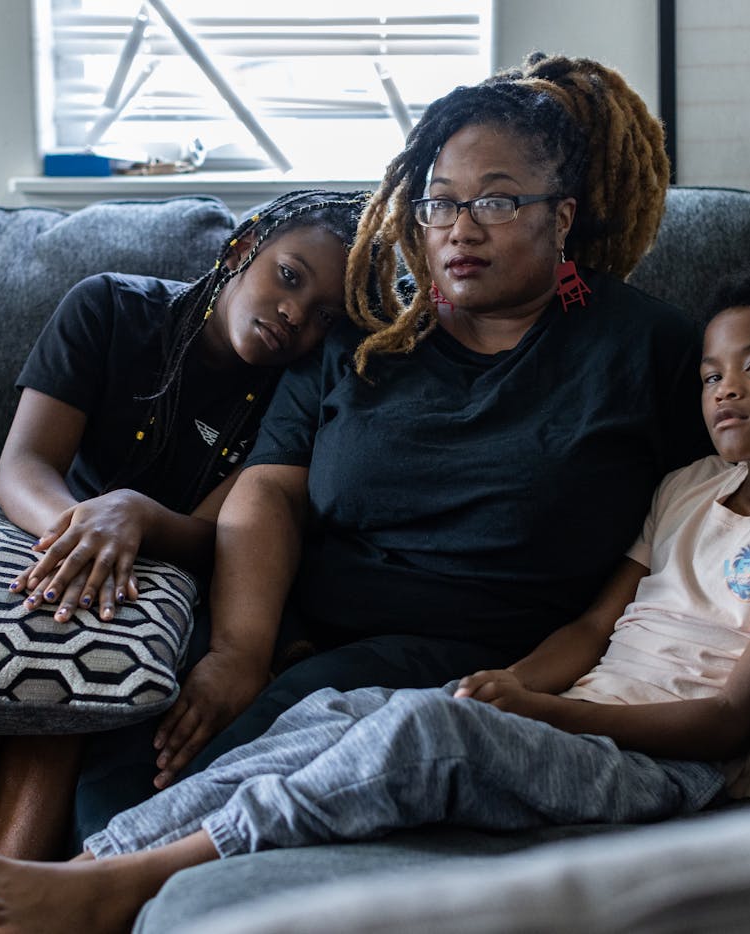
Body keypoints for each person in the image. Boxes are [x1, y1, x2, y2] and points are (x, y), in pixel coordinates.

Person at [0, 263, 750, 934]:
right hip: (572, 718)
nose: (724, 390)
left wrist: (541, 711)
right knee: (339, 710)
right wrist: (509, 684)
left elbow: (736, 718)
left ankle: (126, 888)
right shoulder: (689, 487)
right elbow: (590, 625)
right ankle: (85, 869)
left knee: (419, 734)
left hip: (661, 773)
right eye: (710, 374)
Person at [138, 53, 714, 804]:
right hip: (286, 627)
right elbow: (270, 491)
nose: (460, 230)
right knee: (118, 750)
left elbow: (703, 520)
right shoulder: (369, 330)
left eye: (497, 203)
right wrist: (239, 652)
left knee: (177, 795)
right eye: (440, 203)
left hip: (480, 662)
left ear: (561, 216)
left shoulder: (647, 349)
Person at [0, 190, 367, 934]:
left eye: (324, 315)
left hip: (167, 578)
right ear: (242, 248)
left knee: (78, 674)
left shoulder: (294, 390)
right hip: (41, 536)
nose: (297, 316)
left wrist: (134, 517)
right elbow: (21, 469)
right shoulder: (110, 309)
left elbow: (217, 537)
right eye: (289, 277)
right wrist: (84, 532)